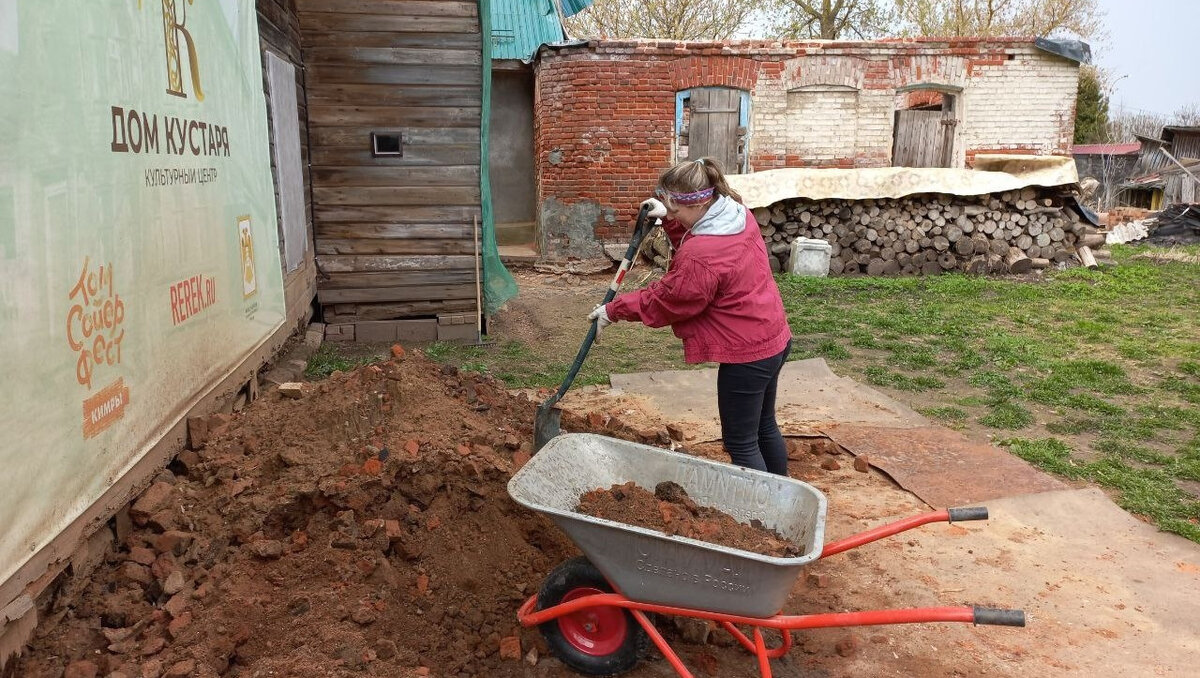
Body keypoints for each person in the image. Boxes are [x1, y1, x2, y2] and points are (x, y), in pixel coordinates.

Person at [589, 158, 793, 476]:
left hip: (747, 356)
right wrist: (667, 220)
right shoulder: (736, 213)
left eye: (674, 211)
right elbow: (691, 236)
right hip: (774, 337)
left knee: (741, 443)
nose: (671, 216)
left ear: (696, 203)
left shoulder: (703, 255)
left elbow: (671, 299)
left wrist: (613, 311)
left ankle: (763, 515)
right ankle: (781, 492)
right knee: (764, 427)